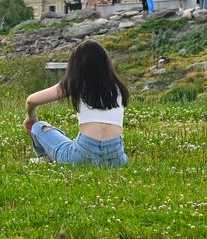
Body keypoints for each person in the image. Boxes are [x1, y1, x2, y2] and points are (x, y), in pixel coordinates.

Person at [24, 39, 129, 167]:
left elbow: (31, 100)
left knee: (38, 127)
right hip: (117, 159)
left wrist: (32, 117)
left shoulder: (76, 84)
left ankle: (44, 158)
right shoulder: (118, 88)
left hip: (82, 157)